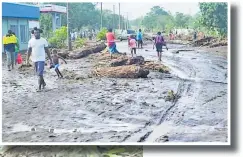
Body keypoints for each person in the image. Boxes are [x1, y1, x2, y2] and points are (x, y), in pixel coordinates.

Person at [26, 27, 53, 92]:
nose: (36, 34)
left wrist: (50, 59)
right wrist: (27, 60)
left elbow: (47, 50)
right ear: (33, 33)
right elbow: (29, 51)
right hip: (34, 59)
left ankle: (39, 87)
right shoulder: (31, 41)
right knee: (38, 73)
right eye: (35, 33)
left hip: (41, 58)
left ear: (40, 33)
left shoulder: (43, 40)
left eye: (38, 33)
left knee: (40, 73)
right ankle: (43, 83)